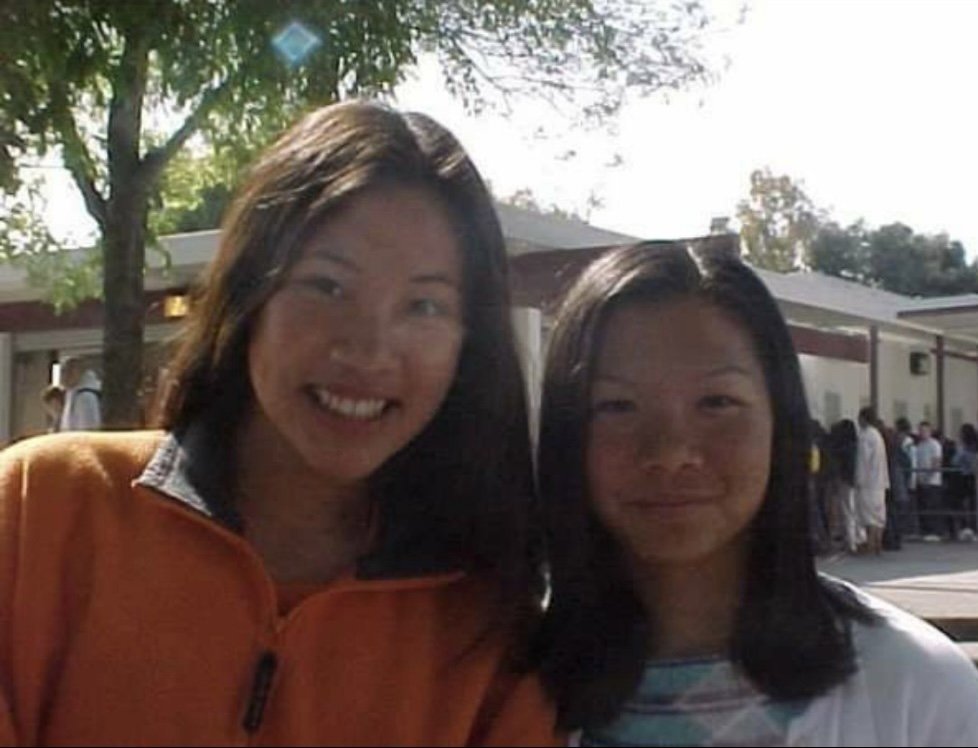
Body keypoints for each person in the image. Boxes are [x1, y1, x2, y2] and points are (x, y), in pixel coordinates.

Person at [0, 101, 557, 745]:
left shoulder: (490, 629)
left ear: (469, 344)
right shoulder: (41, 509)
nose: (367, 350)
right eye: (327, 286)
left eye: (424, 305)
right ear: (248, 297)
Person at [532, 241, 978, 746]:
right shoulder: (494, 687)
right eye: (616, 406)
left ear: (779, 423)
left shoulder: (920, 691)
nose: (671, 451)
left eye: (717, 402)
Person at [855, 406, 889, 555]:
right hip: (880, 481)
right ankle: (878, 543)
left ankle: (870, 544)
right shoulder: (878, 435)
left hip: (868, 482)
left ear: (863, 418)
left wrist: (858, 479)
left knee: (868, 516)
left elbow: (863, 460)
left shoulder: (865, 436)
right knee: (879, 515)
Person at [916, 420, 944, 539]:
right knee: (923, 506)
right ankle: (926, 531)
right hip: (921, 480)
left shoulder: (935, 445)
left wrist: (929, 476)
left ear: (930, 431)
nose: (922, 433)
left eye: (925, 431)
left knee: (932, 506)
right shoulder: (919, 446)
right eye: (921, 431)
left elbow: (936, 462)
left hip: (933, 482)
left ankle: (935, 531)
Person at [57, 356, 102, 430]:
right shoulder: (72, 394)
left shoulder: (86, 397)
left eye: (66, 372)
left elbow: (88, 429)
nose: (63, 377)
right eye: (62, 372)